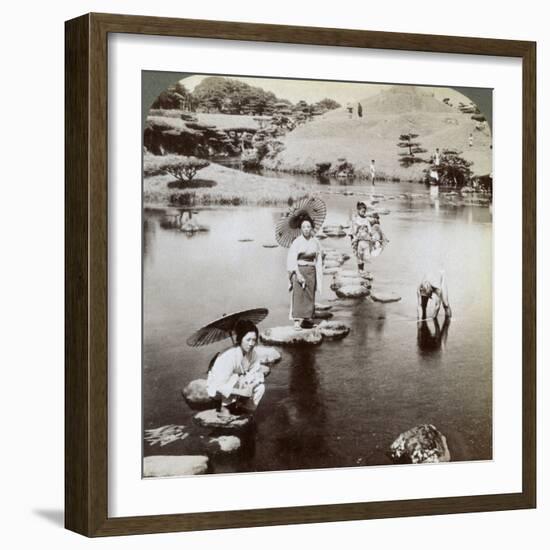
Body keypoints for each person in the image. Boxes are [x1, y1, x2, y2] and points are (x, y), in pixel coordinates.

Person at [206, 320, 266, 416]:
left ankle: (245, 411)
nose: (251, 344)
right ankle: (225, 409)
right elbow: (219, 386)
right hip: (219, 388)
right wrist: (241, 391)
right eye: (248, 340)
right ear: (240, 339)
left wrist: (250, 386)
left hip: (238, 384)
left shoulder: (253, 353)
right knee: (234, 378)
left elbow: (257, 372)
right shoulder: (228, 356)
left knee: (260, 387)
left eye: (254, 340)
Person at [287, 215, 323, 330]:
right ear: (301, 229)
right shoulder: (297, 242)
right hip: (299, 269)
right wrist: (297, 273)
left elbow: (319, 256)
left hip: (311, 270)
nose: (306, 229)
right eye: (304, 227)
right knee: (298, 294)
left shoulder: (315, 241)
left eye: (308, 226)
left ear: (312, 228)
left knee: (309, 294)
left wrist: (322, 256)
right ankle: (297, 321)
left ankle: (307, 319)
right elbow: (292, 259)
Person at [349, 201, 372, 273]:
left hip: (365, 240)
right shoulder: (355, 220)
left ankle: (362, 269)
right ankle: (360, 270)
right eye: (362, 211)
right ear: (358, 210)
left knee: (364, 256)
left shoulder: (366, 220)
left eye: (364, 211)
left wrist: (370, 235)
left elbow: (370, 230)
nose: (364, 213)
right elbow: (352, 231)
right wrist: (352, 239)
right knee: (359, 255)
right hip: (358, 240)